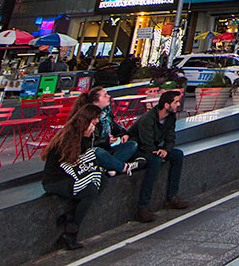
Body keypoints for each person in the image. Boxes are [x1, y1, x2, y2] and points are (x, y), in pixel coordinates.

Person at [41, 103, 104, 250]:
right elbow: (70, 164)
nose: (96, 122)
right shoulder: (69, 137)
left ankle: (69, 217)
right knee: (90, 190)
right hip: (57, 179)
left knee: (101, 180)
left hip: (71, 176)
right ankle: (71, 233)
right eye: (95, 119)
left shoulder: (82, 135)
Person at [132, 89, 189, 222]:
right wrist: (158, 153)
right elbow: (146, 144)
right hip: (139, 149)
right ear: (166, 105)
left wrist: (166, 151)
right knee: (155, 161)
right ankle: (143, 207)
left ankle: (172, 197)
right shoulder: (148, 119)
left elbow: (170, 138)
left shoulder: (170, 117)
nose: (178, 105)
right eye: (176, 102)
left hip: (153, 147)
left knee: (177, 155)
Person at [74, 87, 140, 176]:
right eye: (105, 96)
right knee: (98, 152)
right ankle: (123, 167)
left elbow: (118, 129)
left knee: (132, 145)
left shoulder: (106, 115)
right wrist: (105, 141)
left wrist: (125, 134)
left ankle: (109, 167)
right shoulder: (88, 119)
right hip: (95, 153)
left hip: (109, 150)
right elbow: (86, 145)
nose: (109, 96)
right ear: (95, 102)